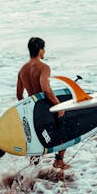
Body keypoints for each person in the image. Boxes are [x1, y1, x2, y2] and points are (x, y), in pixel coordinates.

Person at [16, 36, 69, 170]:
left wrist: (27, 109)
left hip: (32, 109)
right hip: (45, 106)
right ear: (40, 50)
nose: (44, 52)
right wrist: (58, 106)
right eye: (44, 49)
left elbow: (19, 95)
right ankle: (59, 161)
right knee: (65, 127)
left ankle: (33, 166)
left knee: (37, 134)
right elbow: (45, 88)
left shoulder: (22, 70)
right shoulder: (44, 67)